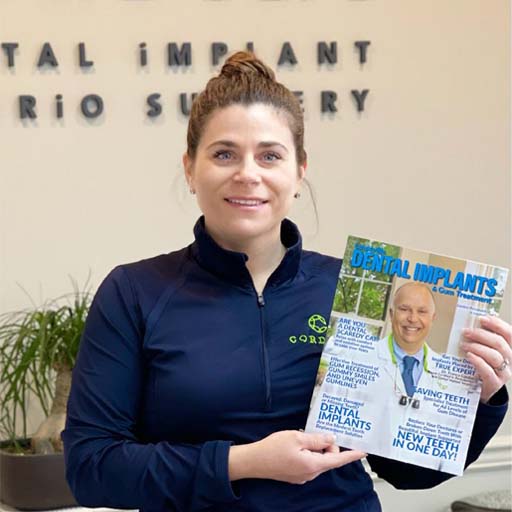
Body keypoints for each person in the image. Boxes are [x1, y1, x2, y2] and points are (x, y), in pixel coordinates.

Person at [61, 51, 511, 512]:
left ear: (298, 173)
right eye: (224, 154)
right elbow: (93, 470)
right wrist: (242, 462)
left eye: (270, 155)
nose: (248, 173)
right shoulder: (134, 293)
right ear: (190, 169)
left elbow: (407, 472)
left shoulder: (357, 290)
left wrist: (487, 395)